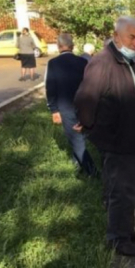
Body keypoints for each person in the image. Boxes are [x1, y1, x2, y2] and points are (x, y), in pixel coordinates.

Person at [74, 16, 135, 256]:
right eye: (132, 37)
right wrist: (93, 128)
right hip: (118, 141)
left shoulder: (125, 60)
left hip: (129, 138)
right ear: (116, 35)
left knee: (126, 189)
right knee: (121, 191)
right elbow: (85, 99)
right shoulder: (103, 62)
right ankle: (118, 240)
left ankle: (126, 230)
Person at [45, 33, 97, 177]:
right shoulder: (82, 62)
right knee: (80, 136)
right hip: (83, 105)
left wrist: (53, 110)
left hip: (65, 106)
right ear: (73, 46)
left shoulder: (53, 63)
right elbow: (90, 84)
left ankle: (92, 172)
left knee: (76, 138)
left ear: (58, 46)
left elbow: (50, 87)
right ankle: (76, 165)